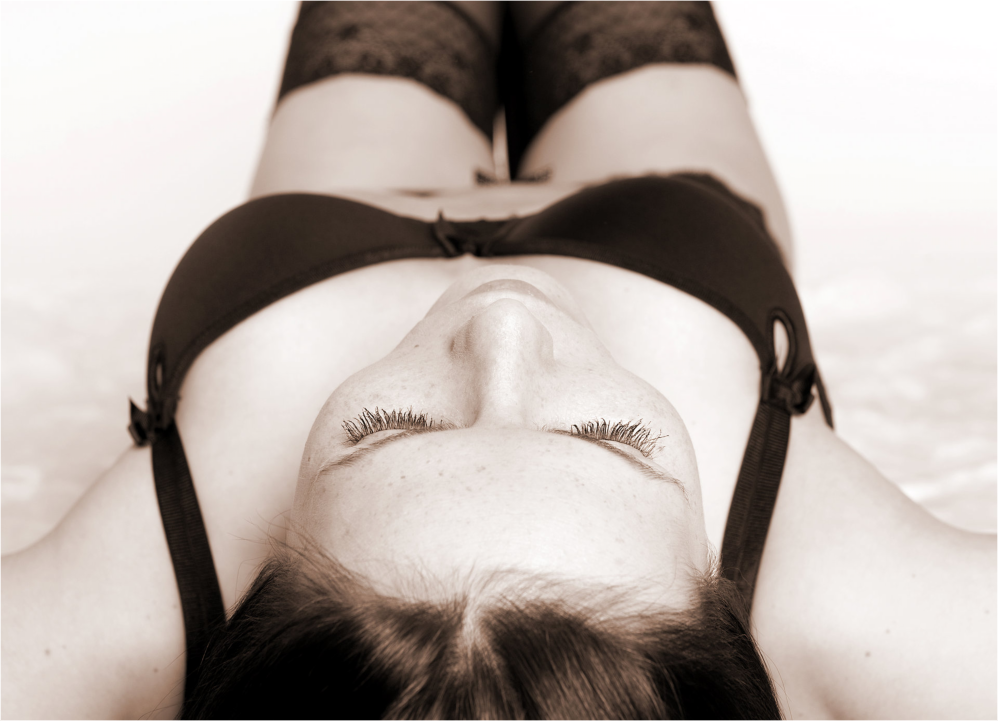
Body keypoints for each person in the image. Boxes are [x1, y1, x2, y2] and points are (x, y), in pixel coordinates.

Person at [2, 2, 994, 718]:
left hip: (341, 198)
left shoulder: (106, 630)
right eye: (611, 436)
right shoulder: (867, 611)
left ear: (269, 587)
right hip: (667, 221)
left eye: (389, 426)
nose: (503, 317)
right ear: (724, 606)